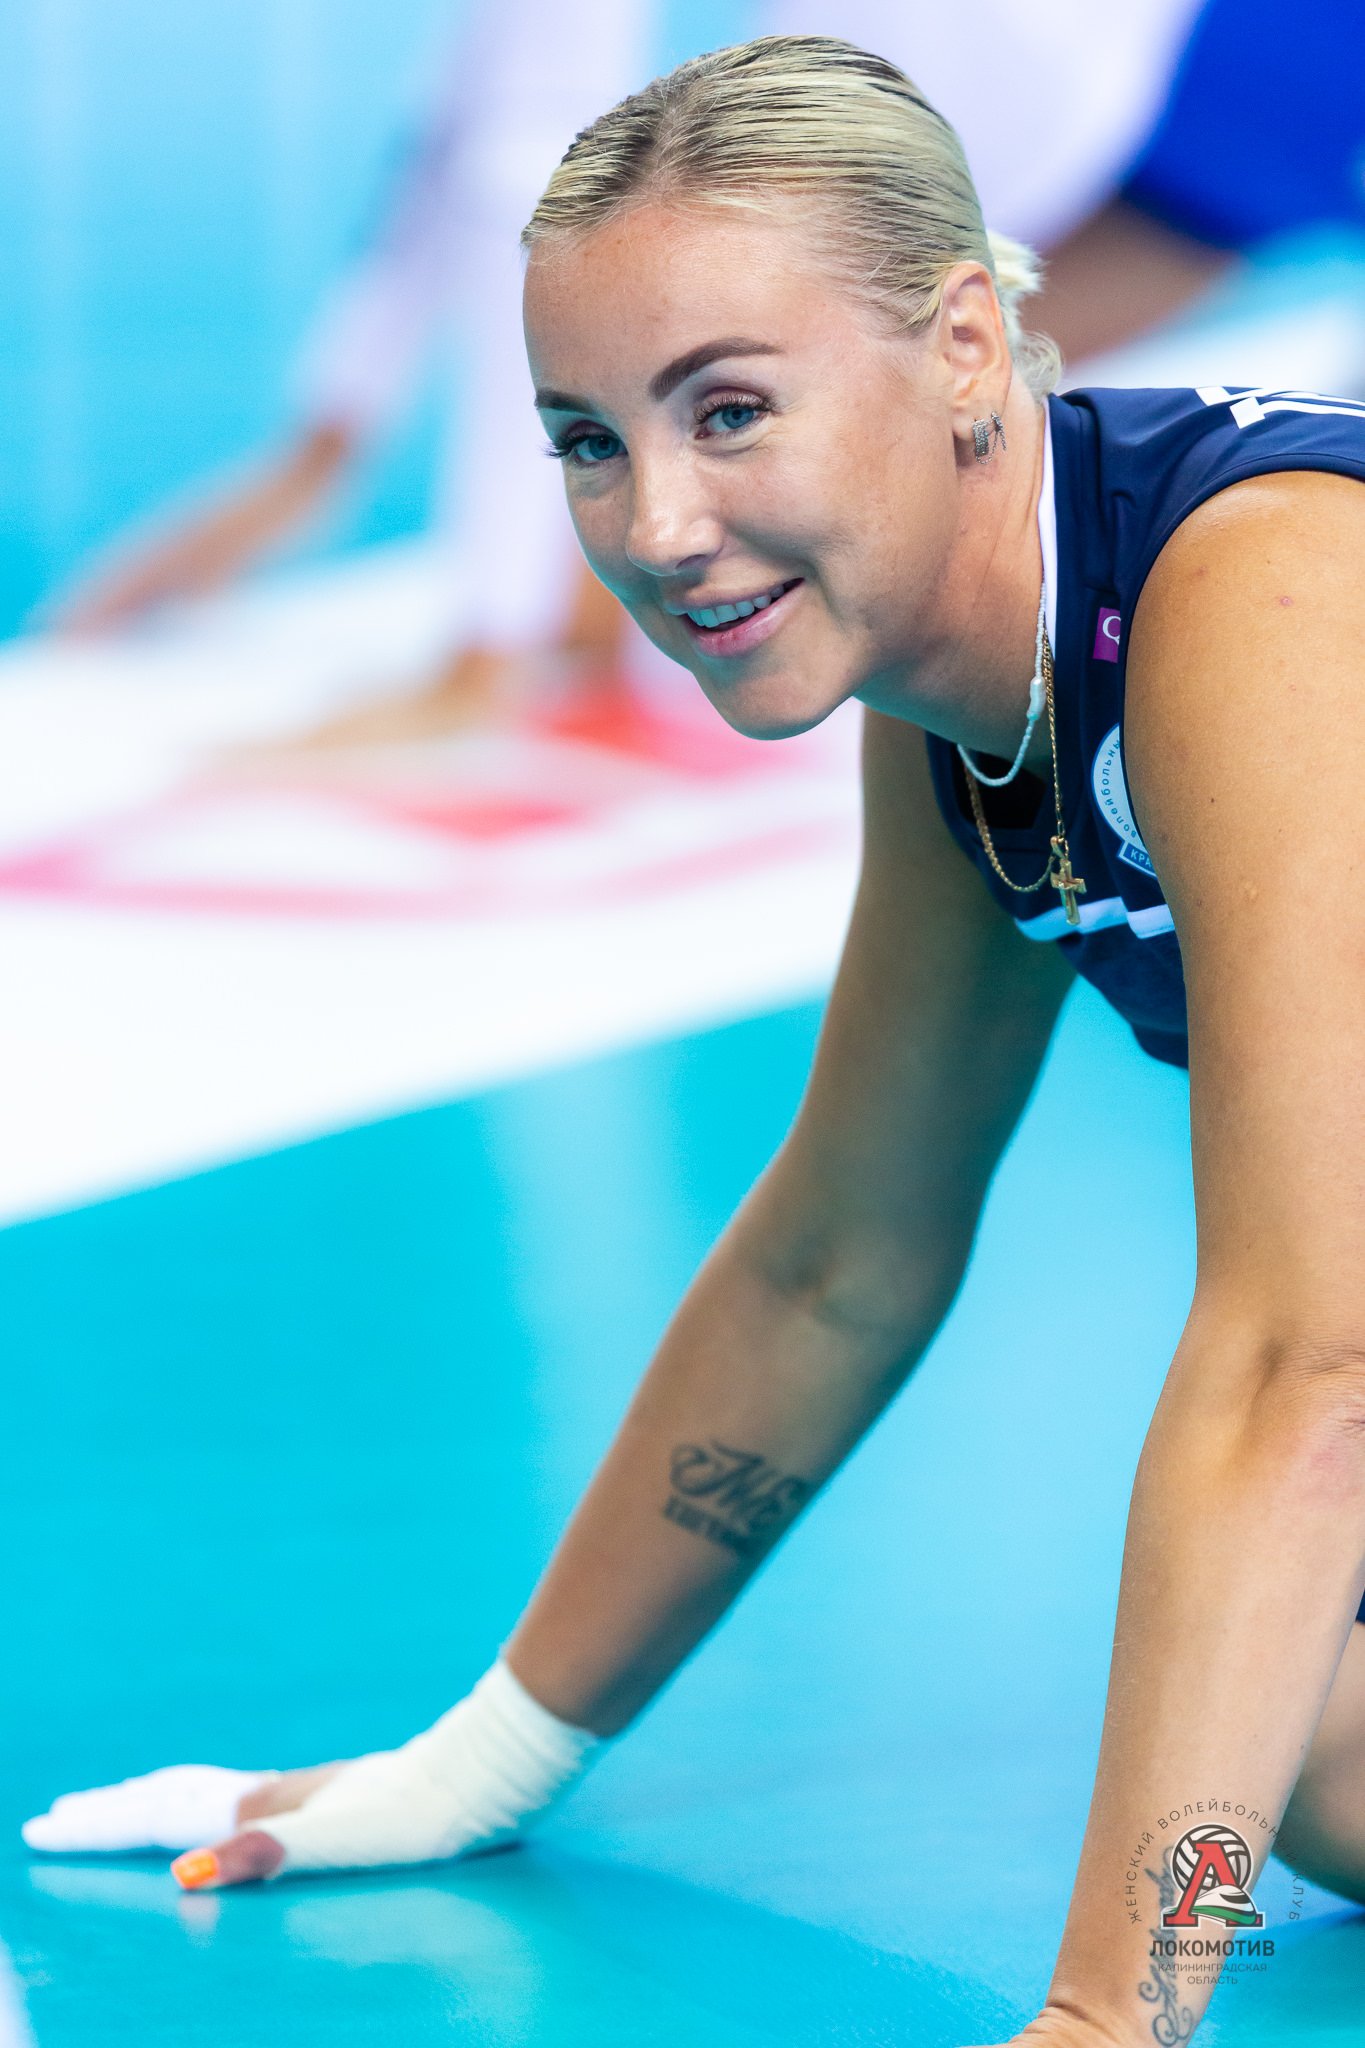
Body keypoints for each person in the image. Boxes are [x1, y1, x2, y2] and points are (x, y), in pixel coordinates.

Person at [24, 34, 1365, 2046]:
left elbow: (1307, 1366)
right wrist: (474, 1763)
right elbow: (842, 1252)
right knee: (1314, 1750)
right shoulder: (965, 682)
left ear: (964, 349)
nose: (656, 522)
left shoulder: (1262, 592)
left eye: (730, 410)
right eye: (588, 440)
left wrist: (1110, 2017)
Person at [47, 0, 1230, 746]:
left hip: (1201, 87)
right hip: (1173, 102)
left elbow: (531, 148)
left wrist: (490, 642)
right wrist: (324, 444)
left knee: (858, 354)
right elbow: (501, 98)